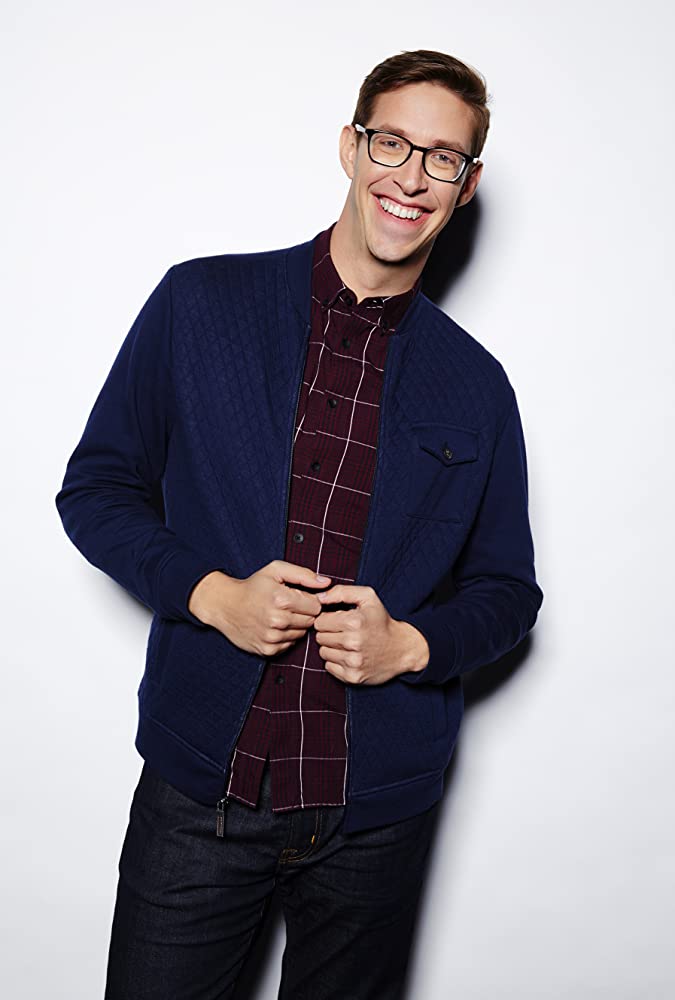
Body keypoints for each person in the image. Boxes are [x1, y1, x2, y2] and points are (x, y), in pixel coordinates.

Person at [55, 47, 544, 1000]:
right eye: (391, 143)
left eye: (442, 158)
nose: (411, 176)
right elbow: (97, 490)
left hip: (375, 822)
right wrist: (212, 596)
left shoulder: (477, 387)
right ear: (350, 148)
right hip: (201, 792)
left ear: (467, 185)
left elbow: (507, 591)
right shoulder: (201, 304)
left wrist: (411, 645)